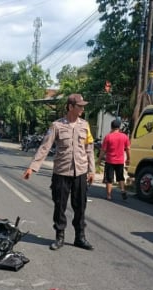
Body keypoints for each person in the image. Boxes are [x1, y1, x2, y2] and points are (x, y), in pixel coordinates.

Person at [22, 93, 95, 251]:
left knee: (80, 206)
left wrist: (91, 170)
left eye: (83, 106)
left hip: (80, 172)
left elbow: (89, 149)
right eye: (79, 106)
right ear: (70, 107)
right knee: (60, 205)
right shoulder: (56, 126)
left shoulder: (85, 125)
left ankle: (80, 237)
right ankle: (60, 236)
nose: (82, 108)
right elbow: (45, 147)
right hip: (61, 172)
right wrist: (32, 167)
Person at [98, 119, 131, 201]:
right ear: (119, 127)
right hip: (120, 161)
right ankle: (123, 190)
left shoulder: (108, 136)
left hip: (110, 161)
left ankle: (109, 195)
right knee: (120, 177)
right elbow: (128, 149)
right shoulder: (124, 136)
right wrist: (129, 159)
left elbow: (103, 150)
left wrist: (99, 159)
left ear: (111, 126)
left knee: (109, 178)